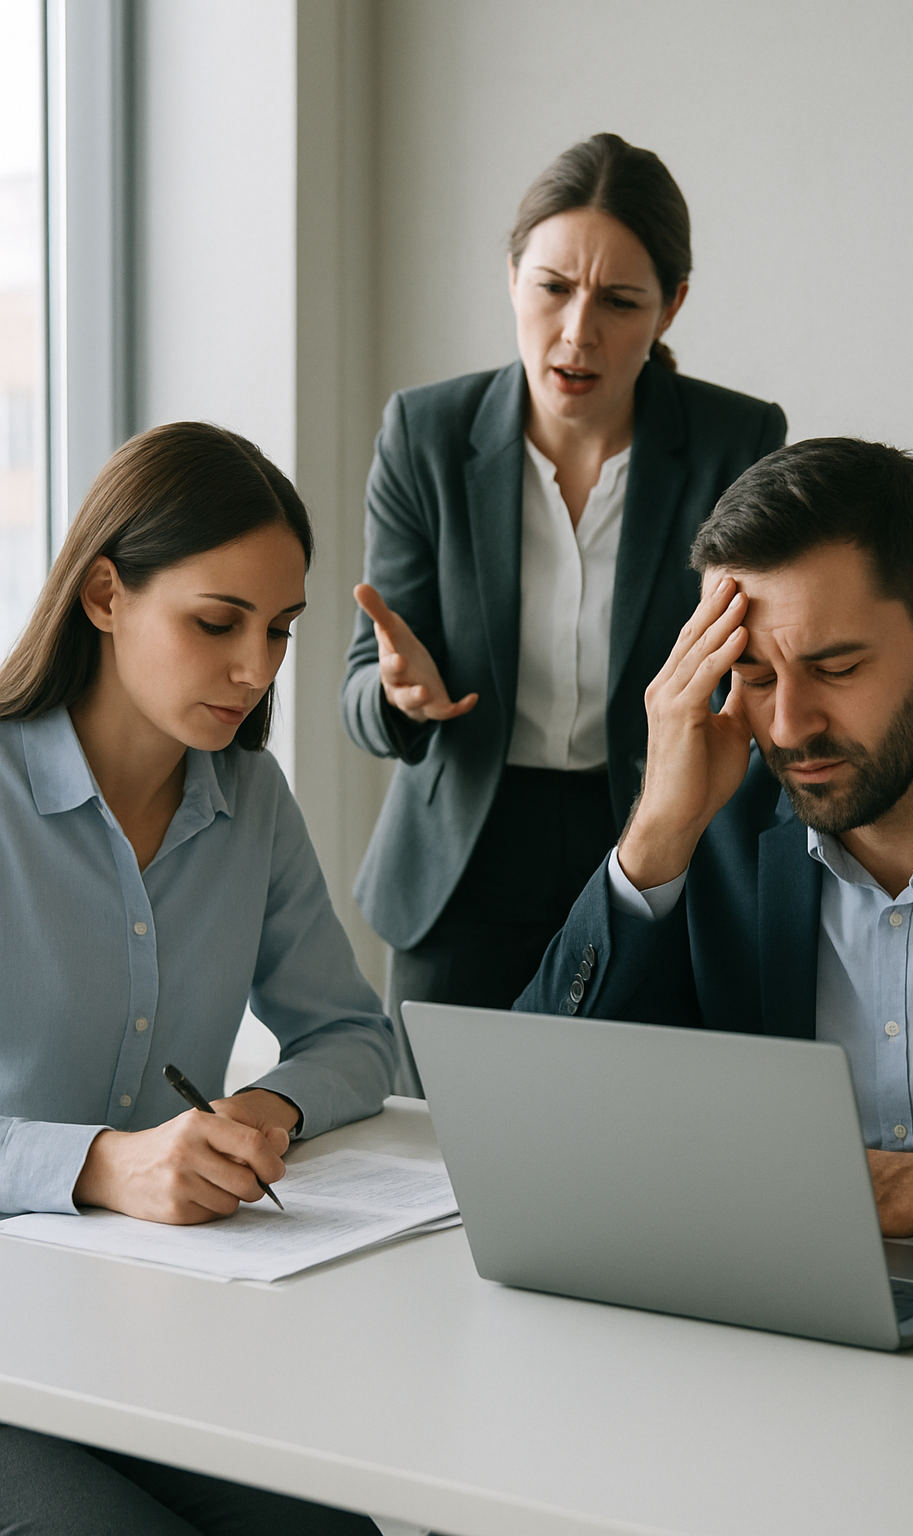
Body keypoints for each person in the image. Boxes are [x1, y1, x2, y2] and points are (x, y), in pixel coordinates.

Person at [0, 422, 395, 1533]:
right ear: (105, 595)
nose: (256, 669)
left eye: (278, 631)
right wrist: (103, 1166)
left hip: (138, 1336)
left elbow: (356, 1039)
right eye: (217, 623)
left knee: (333, 1528)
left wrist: (260, 1111)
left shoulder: (249, 803)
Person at [342, 132, 786, 1093]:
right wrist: (395, 697)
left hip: (644, 832)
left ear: (671, 305)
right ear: (511, 279)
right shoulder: (424, 433)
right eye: (552, 288)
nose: (578, 332)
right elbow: (358, 685)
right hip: (464, 856)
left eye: (620, 301)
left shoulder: (735, 439)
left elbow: (757, 663)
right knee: (437, 1160)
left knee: (622, 1145)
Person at [519, 437, 913, 1250]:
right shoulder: (708, 822)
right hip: (768, 1313)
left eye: (835, 667)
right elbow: (529, 1109)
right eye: (753, 677)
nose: (788, 727)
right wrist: (656, 834)